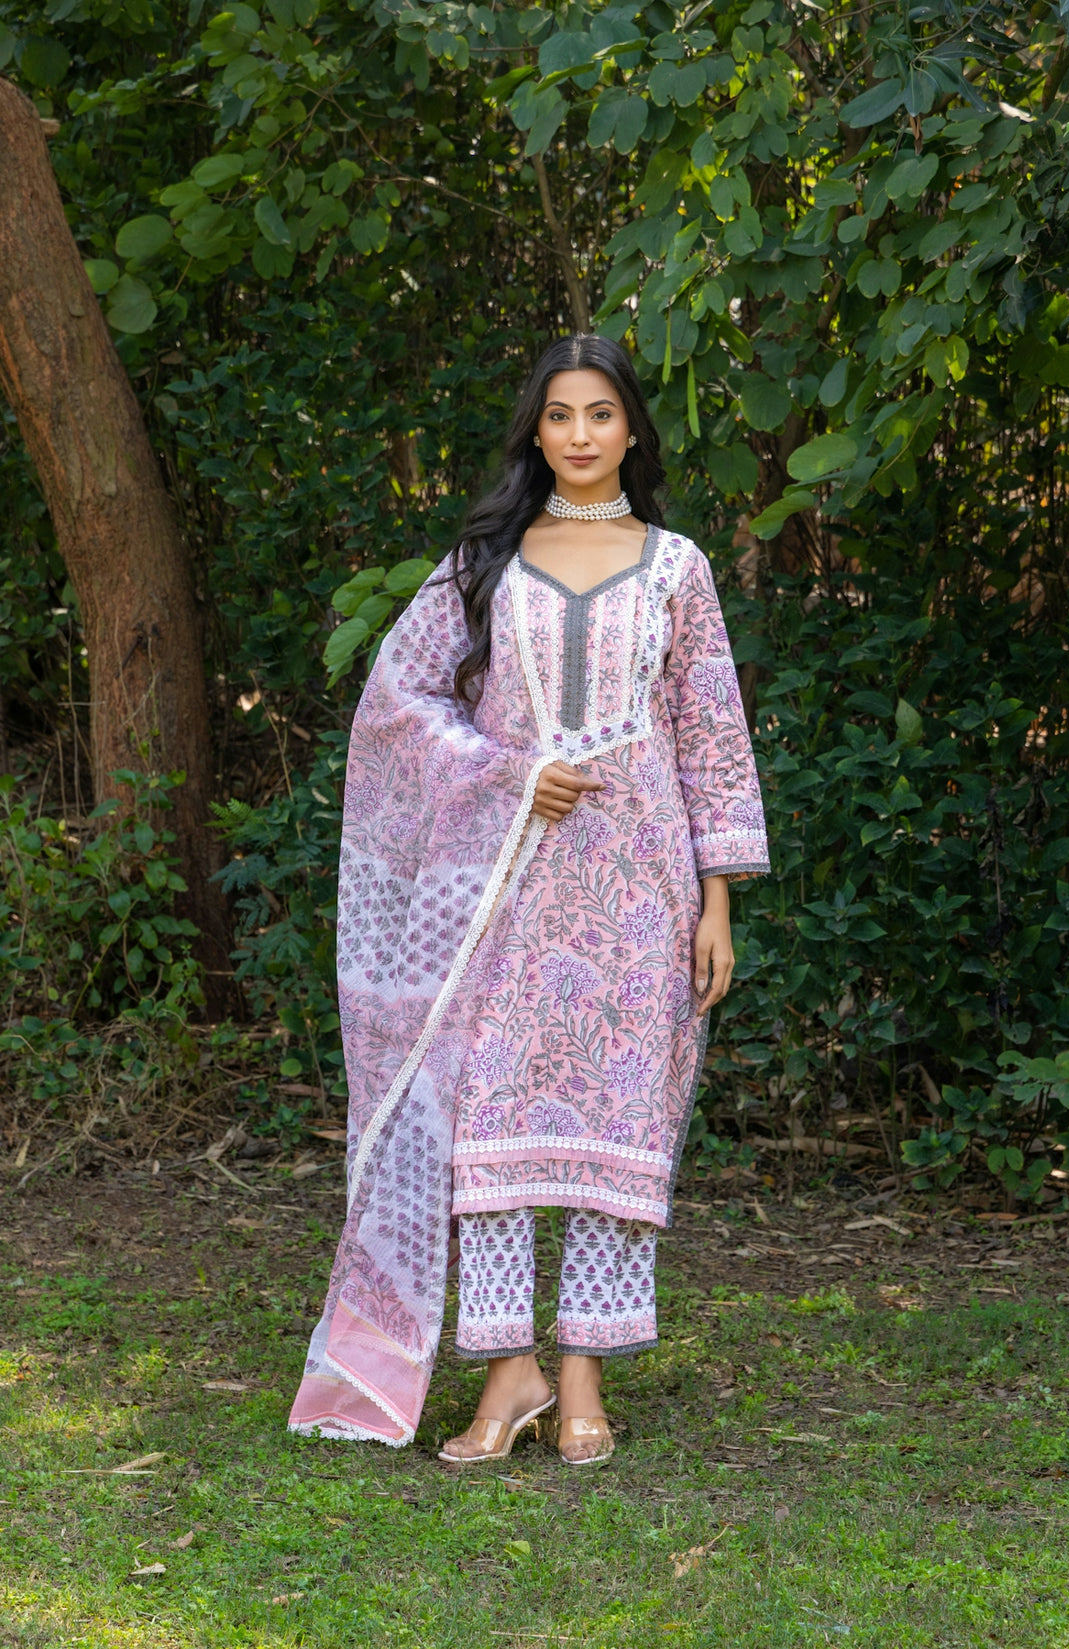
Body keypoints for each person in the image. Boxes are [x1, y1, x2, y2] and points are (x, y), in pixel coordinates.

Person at [288, 333, 769, 1466]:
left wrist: (717, 901)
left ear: (632, 429)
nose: (580, 434)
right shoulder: (484, 561)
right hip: (505, 882)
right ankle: (508, 1372)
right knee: (488, 1115)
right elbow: (397, 702)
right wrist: (509, 774)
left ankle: (585, 1375)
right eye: (559, 415)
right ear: (535, 432)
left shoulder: (678, 567)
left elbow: (709, 733)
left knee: (619, 1116)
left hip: (640, 882)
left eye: (600, 413)